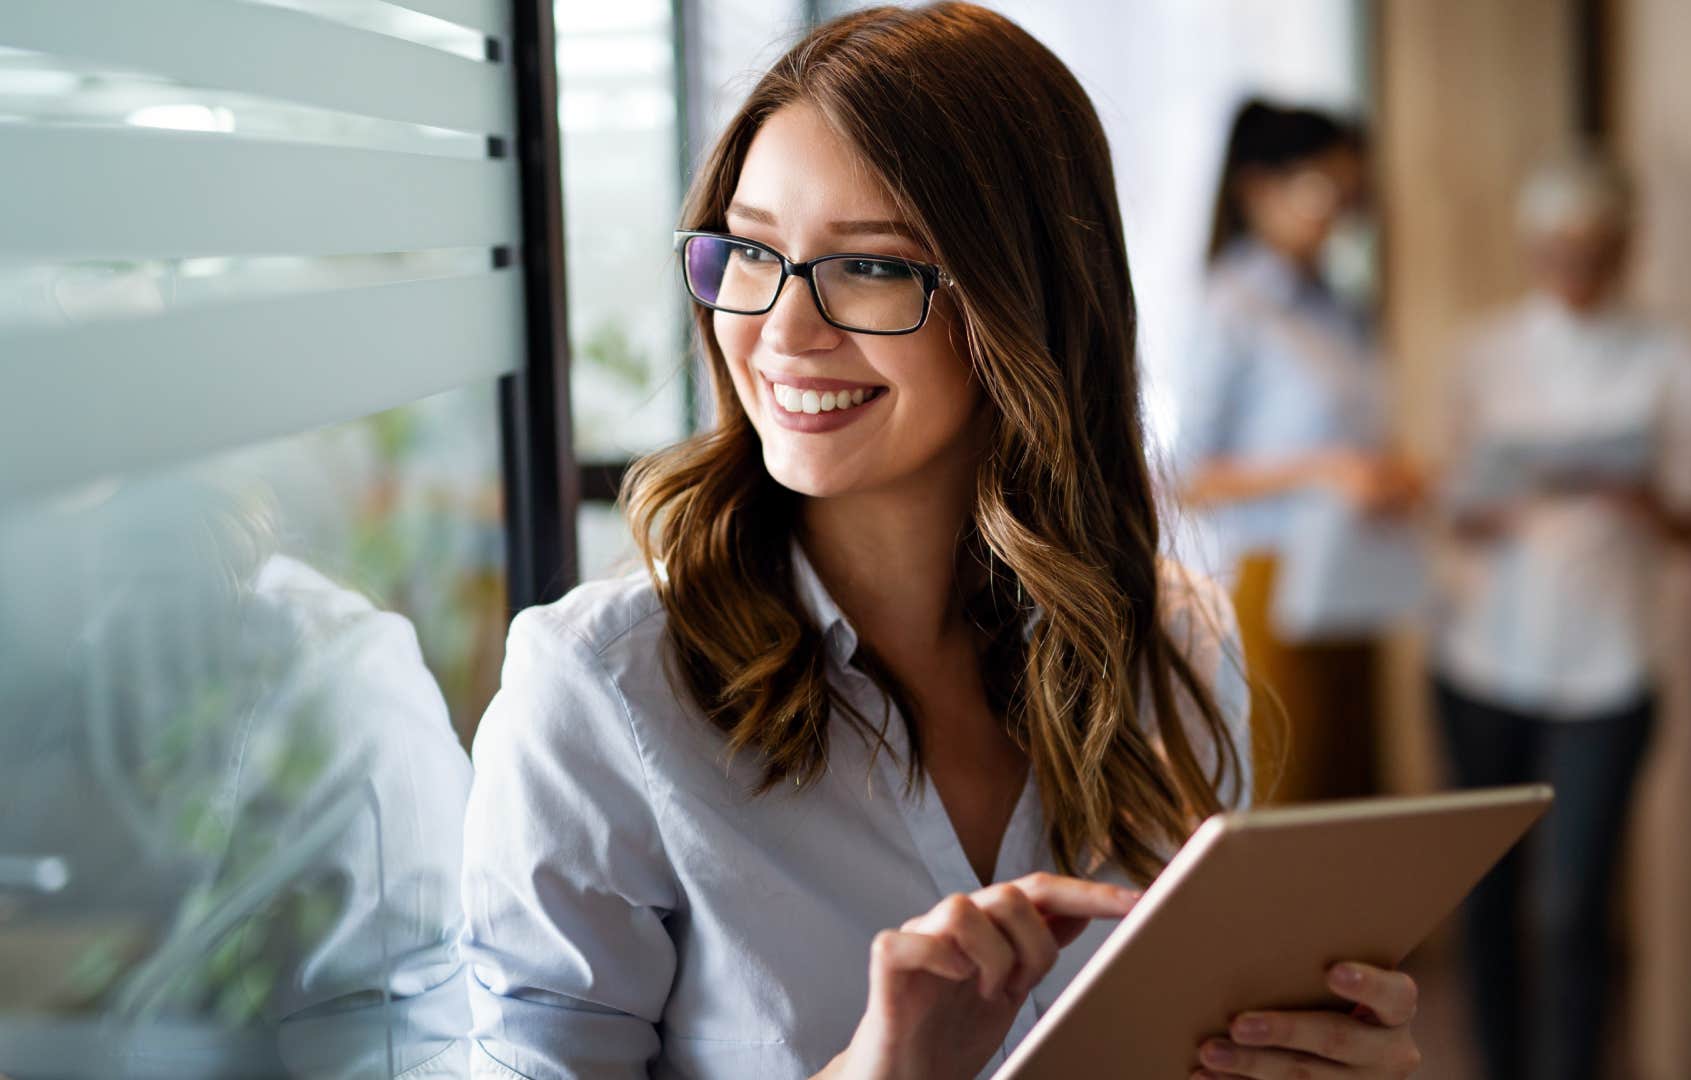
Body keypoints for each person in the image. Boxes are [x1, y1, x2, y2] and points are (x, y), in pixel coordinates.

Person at [459, 6, 1423, 1080]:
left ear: (1028, 303)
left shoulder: (1174, 647)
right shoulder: (601, 693)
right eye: (749, 249)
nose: (780, 331)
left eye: (869, 268)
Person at [1430, 148, 1691, 1080]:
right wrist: (1498, 496)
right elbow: (1446, 504)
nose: (1576, 263)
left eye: (1595, 245)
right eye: (1557, 245)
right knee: (1490, 894)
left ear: (1627, 246)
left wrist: (1643, 499)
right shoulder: (1483, 354)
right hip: (1485, 657)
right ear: (1531, 248)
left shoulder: (1672, 355)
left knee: (1572, 903)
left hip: (1612, 664)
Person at [1175, 102, 1420, 802]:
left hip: (1354, 573)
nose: (1337, 213)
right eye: (1322, 189)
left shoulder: (1338, 308)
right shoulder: (1234, 305)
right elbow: (1188, 476)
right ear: (1257, 188)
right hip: (1272, 580)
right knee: (1286, 797)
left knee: (1351, 796)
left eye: (1351, 193)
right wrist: (1328, 471)